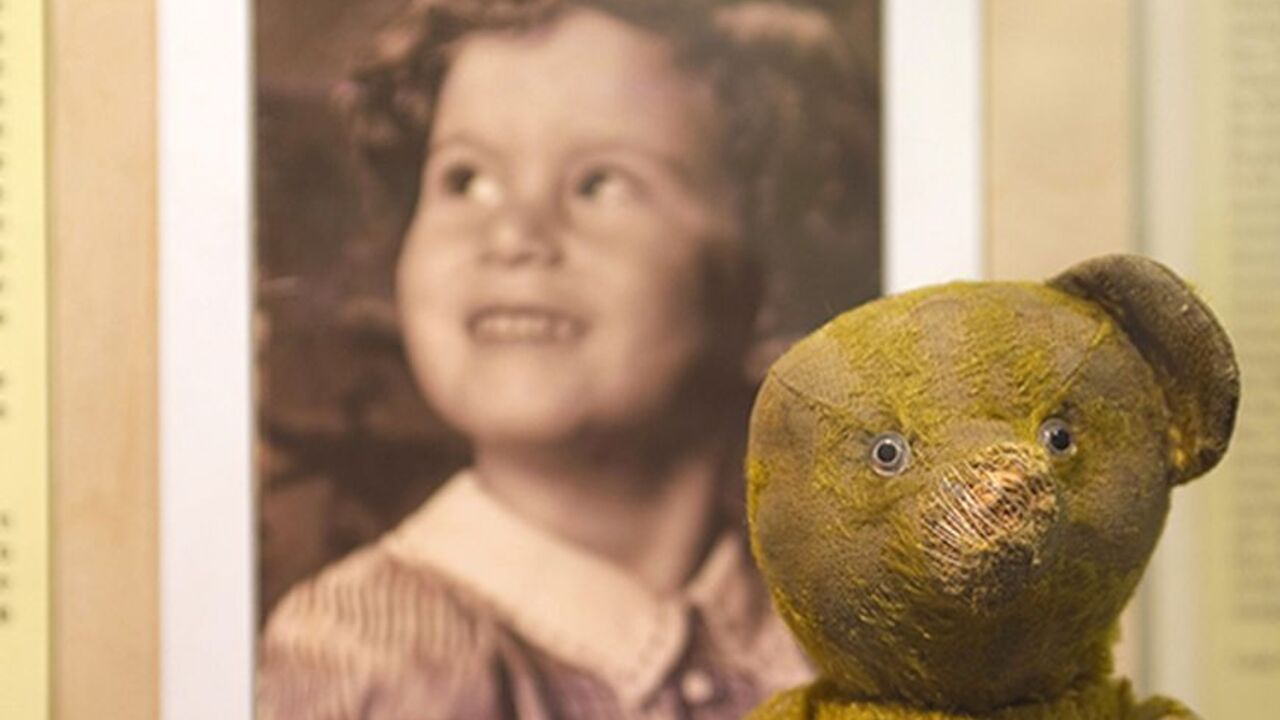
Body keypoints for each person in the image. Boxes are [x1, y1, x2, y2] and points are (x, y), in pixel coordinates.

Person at [257, 1, 879, 718]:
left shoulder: (825, 633)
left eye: (599, 184)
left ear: (769, 286)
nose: (514, 234)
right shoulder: (378, 653)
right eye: (466, 180)